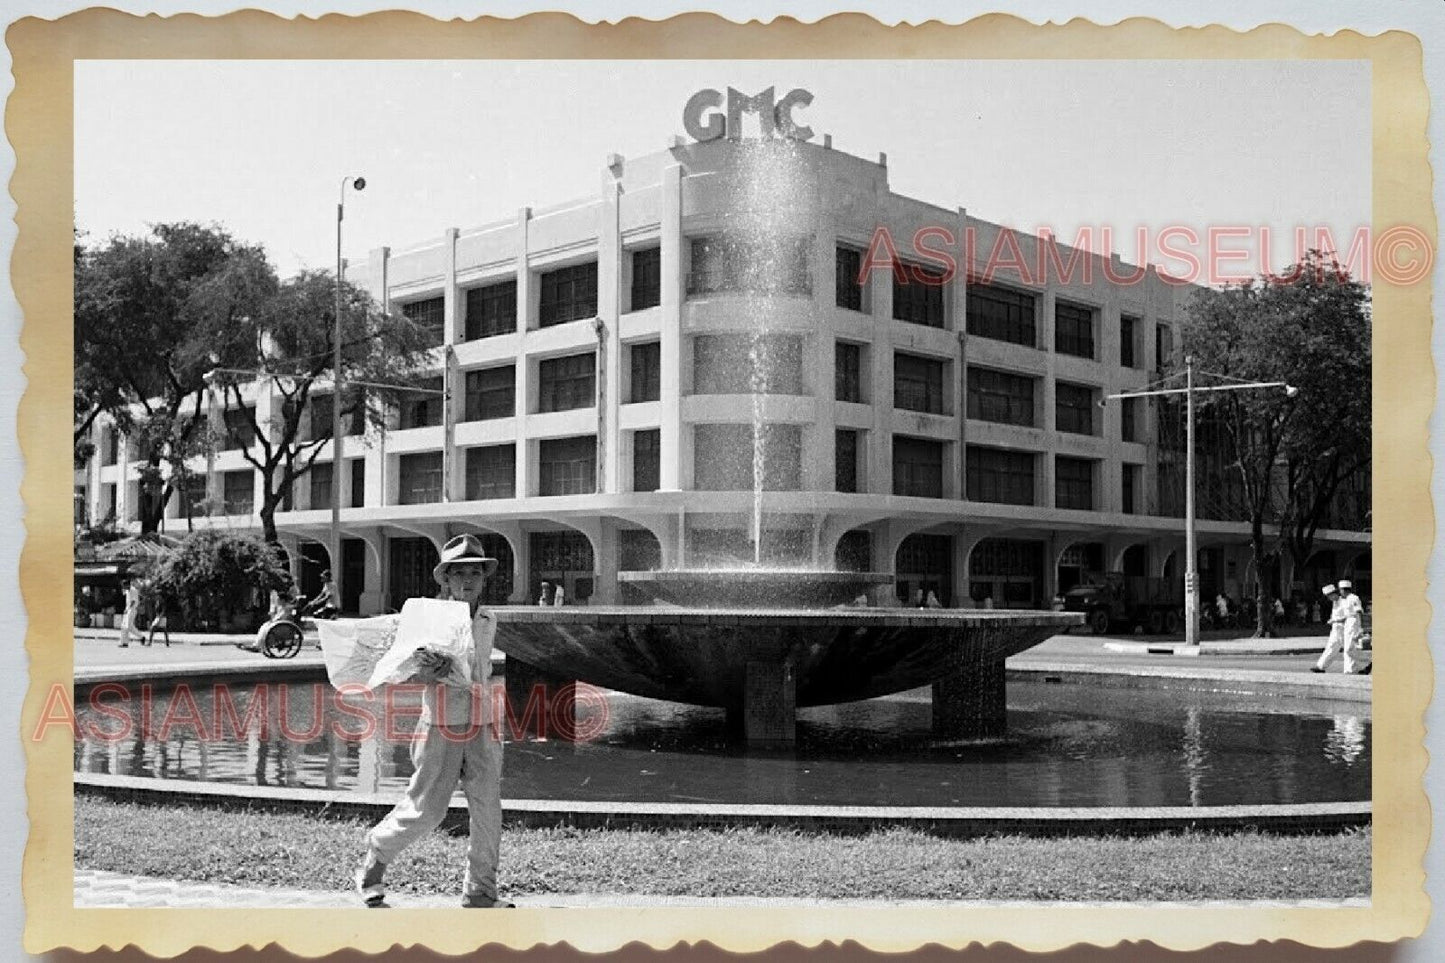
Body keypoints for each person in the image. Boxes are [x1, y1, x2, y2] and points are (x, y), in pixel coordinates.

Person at [356, 533, 512, 909]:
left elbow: (482, 670)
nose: (467, 581)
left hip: (484, 723)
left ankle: (481, 890)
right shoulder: (428, 622)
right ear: (446, 580)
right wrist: (433, 670)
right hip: (442, 723)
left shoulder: (489, 619)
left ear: (483, 578)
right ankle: (375, 860)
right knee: (427, 809)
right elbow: (406, 673)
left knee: (489, 809)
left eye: (474, 573)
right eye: (458, 574)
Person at [1312, 583, 1357, 675]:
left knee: (1349, 649)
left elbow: (1349, 616)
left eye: (1330, 596)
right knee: (1332, 647)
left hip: (1345, 628)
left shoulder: (1345, 601)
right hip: (1336, 628)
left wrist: (1335, 620)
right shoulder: (1334, 603)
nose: (1329, 598)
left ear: (1335, 593)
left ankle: (1353, 668)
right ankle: (1321, 666)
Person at [1337, 579, 1369, 675]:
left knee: (1349, 648)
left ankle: (1362, 665)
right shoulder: (1344, 600)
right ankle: (1349, 669)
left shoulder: (1354, 598)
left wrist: (1360, 627)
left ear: (1344, 589)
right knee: (1347, 647)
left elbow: (1358, 612)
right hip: (1348, 622)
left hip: (1354, 622)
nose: (1340, 592)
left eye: (1340, 590)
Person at [117, 580, 141, 649]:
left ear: (127, 585)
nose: (123, 587)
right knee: (124, 626)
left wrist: (128, 609)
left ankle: (124, 642)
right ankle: (141, 637)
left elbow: (133, 601)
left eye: (124, 585)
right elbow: (123, 594)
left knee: (126, 626)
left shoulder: (133, 590)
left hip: (132, 609)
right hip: (127, 609)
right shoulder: (127, 590)